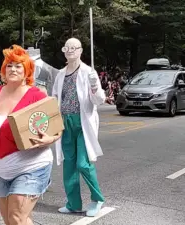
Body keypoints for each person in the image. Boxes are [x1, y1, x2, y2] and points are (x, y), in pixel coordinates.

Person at [0, 45, 62, 225]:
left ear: (27, 71)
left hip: (32, 165)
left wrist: (50, 139)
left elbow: (56, 128)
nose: (13, 69)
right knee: (12, 221)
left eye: (18, 66)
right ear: (4, 70)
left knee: (16, 218)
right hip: (3, 170)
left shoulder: (36, 95)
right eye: (9, 65)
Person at [52, 38, 106, 217]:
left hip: (83, 123)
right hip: (65, 122)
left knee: (83, 163)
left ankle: (97, 199)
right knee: (69, 165)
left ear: (81, 50)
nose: (70, 51)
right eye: (66, 47)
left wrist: (94, 86)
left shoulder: (88, 72)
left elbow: (99, 100)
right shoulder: (60, 74)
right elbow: (55, 98)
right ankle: (73, 203)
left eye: (73, 48)